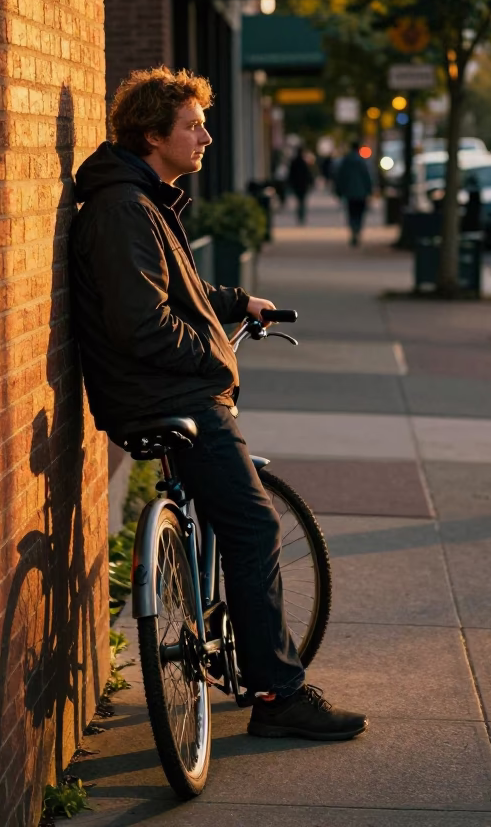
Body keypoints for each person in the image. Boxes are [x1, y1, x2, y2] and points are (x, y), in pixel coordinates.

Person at [69, 67, 367, 742]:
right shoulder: (124, 209)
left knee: (237, 520)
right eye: (192, 126)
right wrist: (214, 357)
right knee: (255, 527)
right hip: (171, 396)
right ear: (152, 135)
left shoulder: (141, 201)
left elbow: (178, 285)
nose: (206, 136)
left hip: (164, 389)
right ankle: (278, 695)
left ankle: (257, 668)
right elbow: (143, 324)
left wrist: (233, 303)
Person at [334, 141, 374, 246]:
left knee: (351, 213)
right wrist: (369, 190)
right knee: (359, 213)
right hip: (361, 193)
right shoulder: (362, 161)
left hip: (349, 193)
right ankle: (357, 230)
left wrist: (339, 190)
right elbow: (367, 176)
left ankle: (353, 230)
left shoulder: (345, 161)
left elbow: (340, 177)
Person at [287, 147, 313, 225]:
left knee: (299, 202)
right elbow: (308, 175)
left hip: (297, 185)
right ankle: (301, 216)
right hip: (303, 185)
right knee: (302, 202)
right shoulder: (304, 162)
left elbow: (290, 175)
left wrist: (290, 184)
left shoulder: (294, 162)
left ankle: (300, 216)